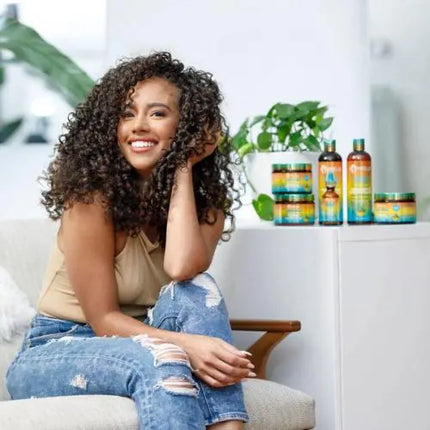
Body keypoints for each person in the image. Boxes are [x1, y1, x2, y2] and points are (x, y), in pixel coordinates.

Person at [6, 52, 253, 429]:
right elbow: (103, 319)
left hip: (145, 337)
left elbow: (181, 269)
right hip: (56, 349)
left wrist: (182, 165)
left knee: (197, 290)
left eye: (157, 113)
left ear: (186, 127)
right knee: (162, 355)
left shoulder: (206, 207)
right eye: (126, 114)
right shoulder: (90, 200)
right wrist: (186, 345)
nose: (138, 126)